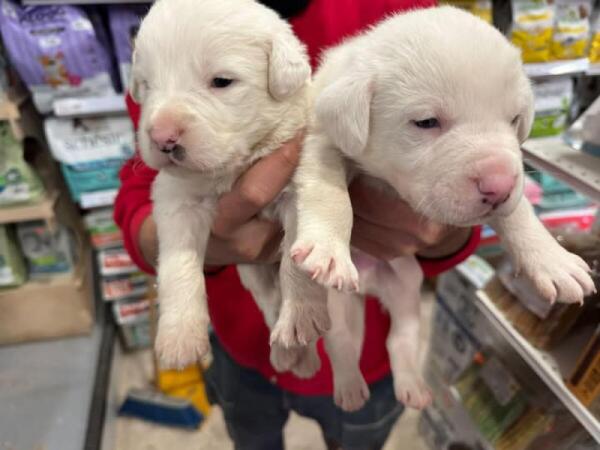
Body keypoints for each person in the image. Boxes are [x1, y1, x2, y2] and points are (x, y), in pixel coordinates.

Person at [114, 1, 480, 449]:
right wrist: (189, 257)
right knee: (251, 434)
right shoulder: (173, 23)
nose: (160, 127)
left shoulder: (404, 18)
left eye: (222, 82)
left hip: (361, 346)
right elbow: (142, 193)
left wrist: (445, 225)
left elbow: (466, 146)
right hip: (239, 347)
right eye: (147, 87)